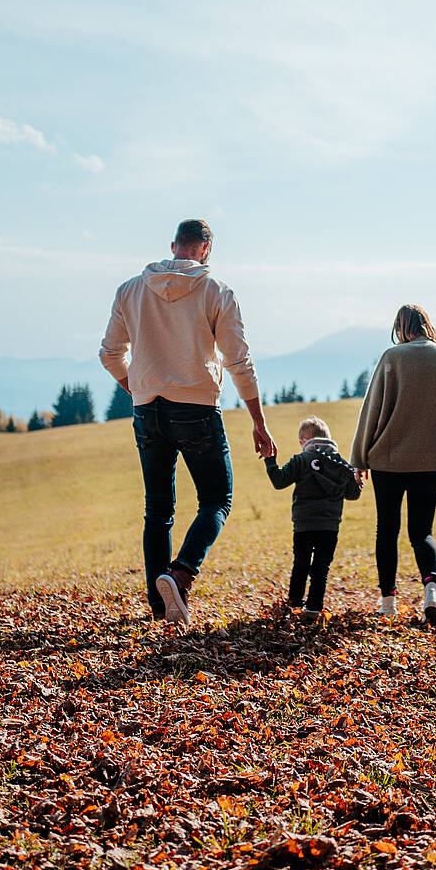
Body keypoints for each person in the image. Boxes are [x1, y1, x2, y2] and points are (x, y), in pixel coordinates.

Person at [99, 218, 276, 627]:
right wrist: (258, 422)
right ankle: (179, 576)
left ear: (174, 245)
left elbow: (110, 353)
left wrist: (137, 387)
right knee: (217, 499)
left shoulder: (130, 289)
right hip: (196, 408)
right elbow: (238, 361)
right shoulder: (216, 291)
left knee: (157, 510)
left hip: (148, 409)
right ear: (206, 248)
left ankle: (160, 607)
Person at [350, 304, 436, 625]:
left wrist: (358, 459)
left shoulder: (392, 358)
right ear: (427, 325)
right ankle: (431, 591)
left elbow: (371, 411)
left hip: (387, 462)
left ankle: (388, 601)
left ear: (401, 327)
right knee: (423, 532)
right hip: (432, 464)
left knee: (387, 530)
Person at [264, 416, 362, 621]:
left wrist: (270, 460)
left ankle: (294, 603)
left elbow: (279, 481)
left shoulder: (301, 460)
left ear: (303, 442)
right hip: (329, 526)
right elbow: (353, 494)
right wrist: (355, 476)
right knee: (321, 566)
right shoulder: (342, 465)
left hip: (304, 524)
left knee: (300, 563)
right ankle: (314, 607)